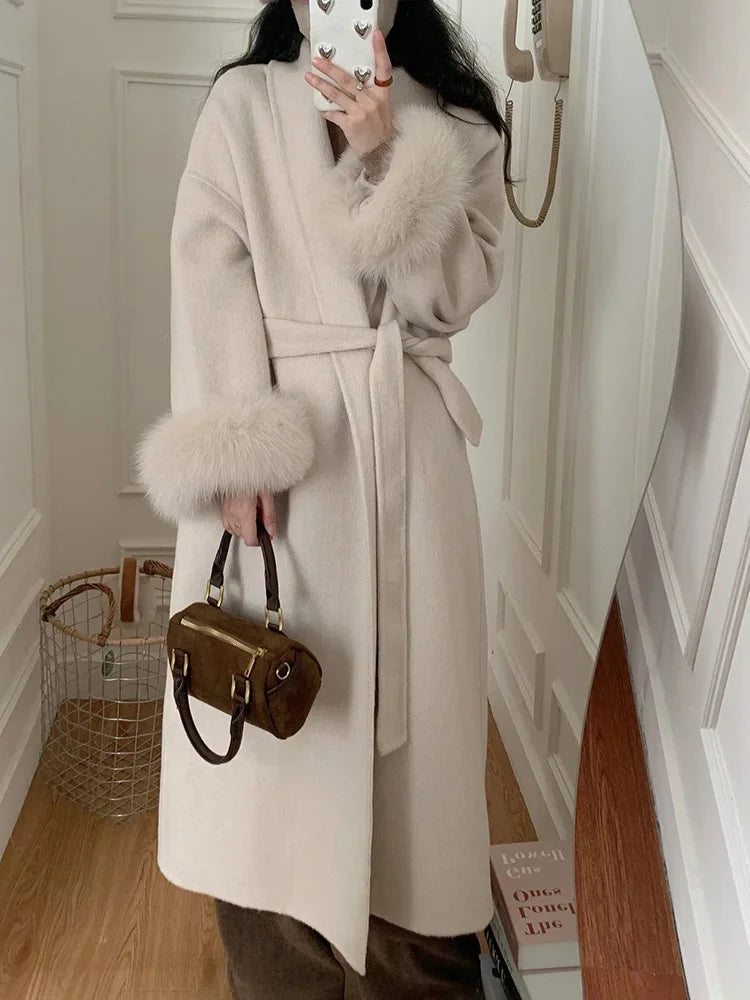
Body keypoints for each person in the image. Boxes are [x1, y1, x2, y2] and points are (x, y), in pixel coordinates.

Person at [135, 0, 509, 995]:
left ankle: (414, 965)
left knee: (418, 796)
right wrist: (238, 450)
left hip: (413, 477)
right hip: (286, 487)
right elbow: (207, 275)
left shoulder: (458, 122)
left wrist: (388, 154)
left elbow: (449, 299)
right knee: (276, 774)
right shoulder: (243, 106)